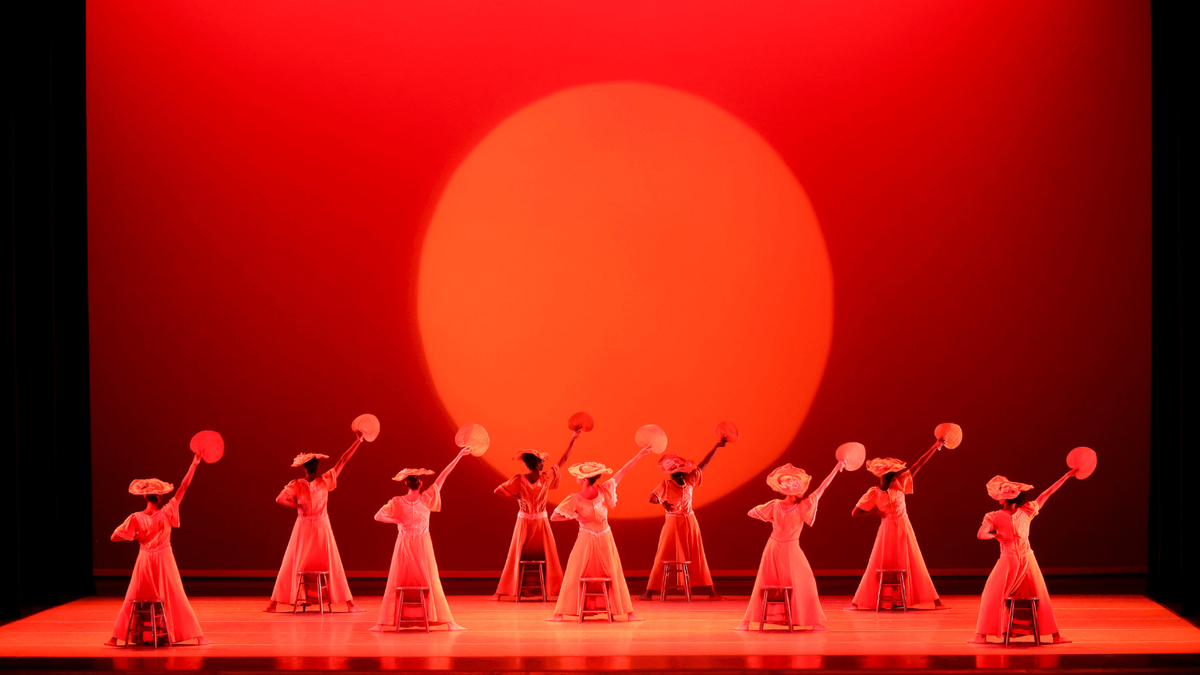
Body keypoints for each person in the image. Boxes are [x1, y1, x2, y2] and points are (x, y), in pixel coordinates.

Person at [105, 455, 210, 646]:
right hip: (164, 558)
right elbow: (183, 487)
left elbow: (114, 537)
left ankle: (114, 638)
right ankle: (199, 637)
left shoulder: (136, 518)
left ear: (144, 496)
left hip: (145, 559)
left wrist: (135, 537)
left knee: (134, 596)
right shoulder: (167, 511)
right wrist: (193, 464)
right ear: (160, 496)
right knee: (175, 595)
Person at [370, 447, 473, 631]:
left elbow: (378, 516)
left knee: (401, 579)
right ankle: (448, 622)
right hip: (417, 544)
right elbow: (444, 475)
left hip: (408, 543)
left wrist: (396, 521)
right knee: (427, 579)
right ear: (421, 482)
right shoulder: (422, 498)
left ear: (406, 484)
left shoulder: (403, 501)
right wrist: (458, 455)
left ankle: (382, 623)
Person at [547, 445, 653, 621]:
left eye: (579, 477)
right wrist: (577, 516)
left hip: (604, 536)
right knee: (576, 571)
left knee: (611, 571)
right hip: (587, 537)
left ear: (584, 480)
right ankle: (560, 613)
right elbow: (555, 517)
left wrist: (639, 454)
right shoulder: (576, 498)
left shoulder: (604, 490)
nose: (577, 479)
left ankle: (629, 612)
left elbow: (623, 471)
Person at [735, 461, 843, 631]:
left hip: (775, 546)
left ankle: (747, 623)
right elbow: (822, 488)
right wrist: (835, 469)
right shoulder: (799, 505)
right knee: (799, 581)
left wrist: (772, 520)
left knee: (769, 581)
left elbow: (751, 512)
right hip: (789, 549)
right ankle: (813, 622)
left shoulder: (777, 505)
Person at [970, 473, 1075, 644]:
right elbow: (1047, 493)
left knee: (992, 594)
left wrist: (996, 535)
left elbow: (981, 534)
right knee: (1040, 595)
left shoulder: (994, 516)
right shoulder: (1026, 511)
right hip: (1028, 561)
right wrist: (1067, 475)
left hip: (1009, 561)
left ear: (1003, 500)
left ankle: (981, 635)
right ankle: (1055, 636)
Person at [264, 432, 364, 613]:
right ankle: (350, 604)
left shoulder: (299, 483)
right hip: (319, 527)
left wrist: (297, 506)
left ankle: (273, 604)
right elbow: (343, 460)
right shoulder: (323, 480)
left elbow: (280, 499)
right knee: (330, 561)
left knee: (293, 561)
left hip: (305, 526)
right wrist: (358, 441)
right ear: (316, 466)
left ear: (304, 467)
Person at [847, 446, 947, 610]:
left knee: (913, 561)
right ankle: (870, 600)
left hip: (903, 528)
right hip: (887, 530)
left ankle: (932, 601)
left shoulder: (900, 485)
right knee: (882, 562)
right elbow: (855, 512)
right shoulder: (875, 493)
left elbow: (918, 465)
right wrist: (875, 511)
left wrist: (935, 447)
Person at [492, 428, 582, 600]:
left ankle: (551, 589)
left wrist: (573, 440)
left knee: (549, 554)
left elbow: (563, 460)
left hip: (540, 522)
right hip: (525, 522)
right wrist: (518, 496)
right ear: (538, 464)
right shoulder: (520, 480)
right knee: (515, 554)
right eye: (542, 462)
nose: (544, 464)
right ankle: (501, 591)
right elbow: (498, 491)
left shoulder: (545, 478)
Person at [640, 440, 725, 600]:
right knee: (663, 554)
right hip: (673, 522)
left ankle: (711, 592)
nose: (678, 475)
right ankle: (648, 592)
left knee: (697, 553)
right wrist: (664, 503)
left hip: (689, 521)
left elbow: (704, 463)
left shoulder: (689, 482)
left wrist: (716, 447)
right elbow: (652, 498)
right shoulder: (666, 484)